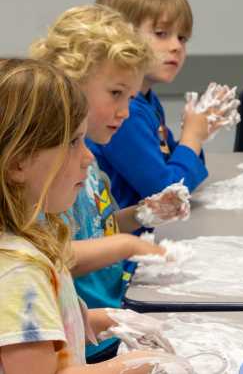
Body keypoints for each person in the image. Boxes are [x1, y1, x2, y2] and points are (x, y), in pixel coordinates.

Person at [0, 59, 190, 373]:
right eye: (73, 142)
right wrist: (126, 367)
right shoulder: (18, 271)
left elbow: (46, 337)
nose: (88, 157)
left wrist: (99, 320)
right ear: (18, 163)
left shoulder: (31, 241)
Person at [91, 0, 214, 208]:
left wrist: (198, 133)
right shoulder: (125, 113)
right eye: (161, 33)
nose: (176, 46)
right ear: (119, 35)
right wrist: (193, 137)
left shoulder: (147, 99)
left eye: (182, 38)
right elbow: (166, 193)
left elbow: (171, 162)